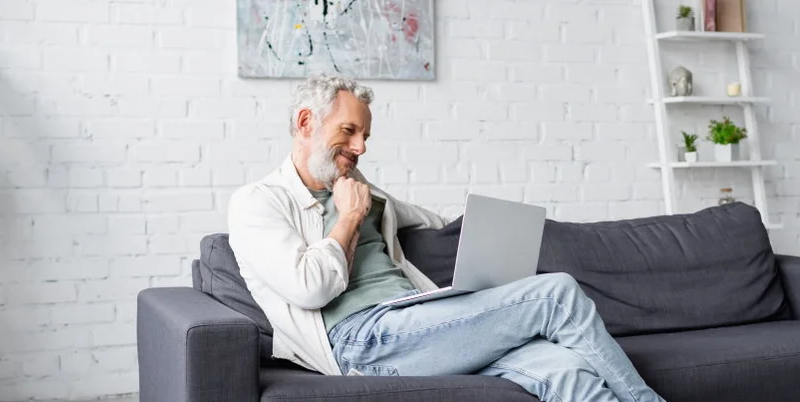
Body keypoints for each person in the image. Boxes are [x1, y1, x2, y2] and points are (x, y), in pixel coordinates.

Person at [227, 74, 666, 402]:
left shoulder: (363, 191)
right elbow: (311, 287)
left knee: (565, 369)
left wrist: (480, 233)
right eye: (349, 131)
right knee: (555, 294)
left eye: (365, 135)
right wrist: (350, 216)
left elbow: (433, 221)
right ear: (306, 122)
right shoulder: (257, 203)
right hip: (362, 342)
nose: (361, 147)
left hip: (419, 323)